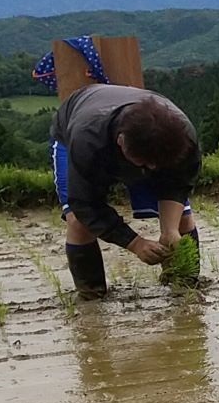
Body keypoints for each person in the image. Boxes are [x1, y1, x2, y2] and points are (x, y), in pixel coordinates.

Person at [51, 83, 202, 299]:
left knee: (182, 220)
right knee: (78, 221)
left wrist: (170, 230)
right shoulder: (87, 139)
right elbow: (85, 204)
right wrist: (135, 243)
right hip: (76, 124)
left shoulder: (182, 136)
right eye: (143, 163)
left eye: (155, 165)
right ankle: (92, 296)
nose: (149, 170)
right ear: (121, 142)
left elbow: (178, 181)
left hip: (151, 141)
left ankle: (184, 284)